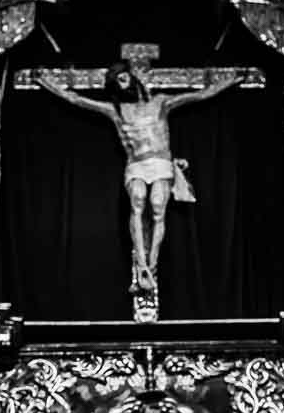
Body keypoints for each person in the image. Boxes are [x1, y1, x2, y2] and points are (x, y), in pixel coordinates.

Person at [39, 61, 236, 291]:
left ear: (132, 78)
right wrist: (46, 82)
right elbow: (76, 100)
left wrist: (230, 81)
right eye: (118, 81)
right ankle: (141, 265)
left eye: (124, 77)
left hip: (161, 162)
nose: (123, 83)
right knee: (139, 200)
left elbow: (200, 96)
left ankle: (151, 265)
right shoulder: (117, 110)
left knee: (158, 203)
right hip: (137, 164)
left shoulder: (160, 103)